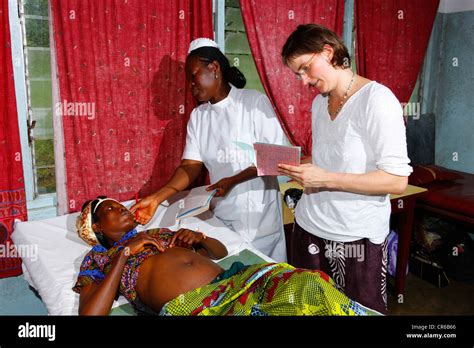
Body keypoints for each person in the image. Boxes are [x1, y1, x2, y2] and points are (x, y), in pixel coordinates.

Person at [278, 24, 413, 314]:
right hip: (309, 227)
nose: (303, 81)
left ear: (328, 52)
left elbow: (396, 180)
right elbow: (330, 159)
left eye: (305, 69)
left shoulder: (376, 101)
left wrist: (324, 177)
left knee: (355, 310)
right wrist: (299, 166)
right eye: (297, 74)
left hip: (354, 240)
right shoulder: (319, 104)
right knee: (309, 309)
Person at [73, 196, 381, 316]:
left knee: (306, 285)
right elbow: (90, 315)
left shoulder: (162, 233)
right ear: (97, 227)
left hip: (234, 282)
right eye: (110, 209)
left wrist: (202, 239)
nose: (121, 208)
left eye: (119, 203)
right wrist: (126, 252)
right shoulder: (99, 258)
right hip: (197, 308)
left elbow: (220, 253)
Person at [131, 38, 290, 262]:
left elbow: (279, 157)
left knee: (267, 280)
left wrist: (233, 180)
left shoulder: (253, 103)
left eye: (193, 76)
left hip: (259, 219)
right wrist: (157, 198)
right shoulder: (199, 117)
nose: (191, 85)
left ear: (214, 68)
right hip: (222, 216)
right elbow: (190, 166)